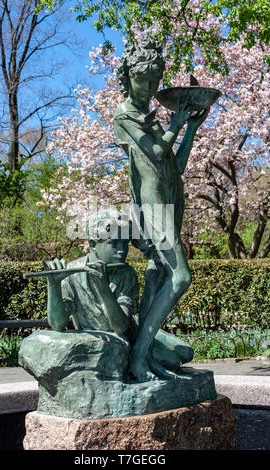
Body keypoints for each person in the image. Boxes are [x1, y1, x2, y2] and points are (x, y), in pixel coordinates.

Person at [113, 40, 209, 381]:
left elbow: (173, 165)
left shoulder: (150, 118)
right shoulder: (125, 115)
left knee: (157, 276)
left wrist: (191, 129)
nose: (151, 86)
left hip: (171, 201)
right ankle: (139, 356)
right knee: (181, 277)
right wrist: (177, 123)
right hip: (153, 212)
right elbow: (154, 151)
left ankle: (145, 358)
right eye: (144, 78)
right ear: (128, 77)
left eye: (156, 78)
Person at [43, 207, 193, 378]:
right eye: (114, 244)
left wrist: (102, 287)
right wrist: (53, 285)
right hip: (114, 343)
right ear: (93, 245)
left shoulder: (126, 273)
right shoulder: (72, 272)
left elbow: (121, 326)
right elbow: (57, 324)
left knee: (186, 352)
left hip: (133, 334)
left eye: (125, 243)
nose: (122, 250)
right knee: (173, 360)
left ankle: (150, 342)